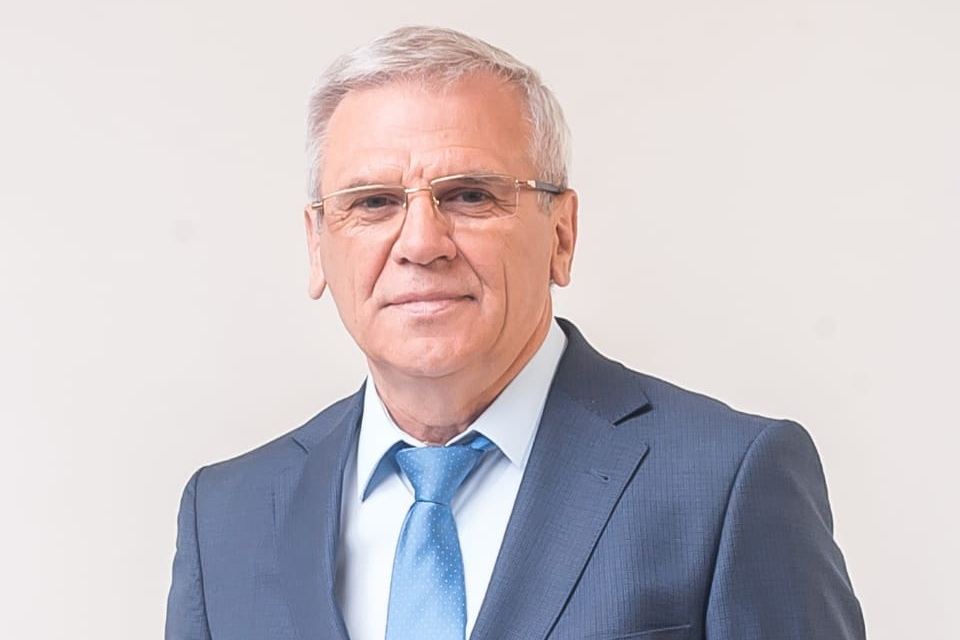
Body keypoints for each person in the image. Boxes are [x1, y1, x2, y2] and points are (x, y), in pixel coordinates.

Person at [165, 26, 865, 640]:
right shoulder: (224, 517)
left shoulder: (727, 482)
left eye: (470, 195)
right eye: (373, 203)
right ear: (318, 247)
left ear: (562, 234)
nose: (421, 243)